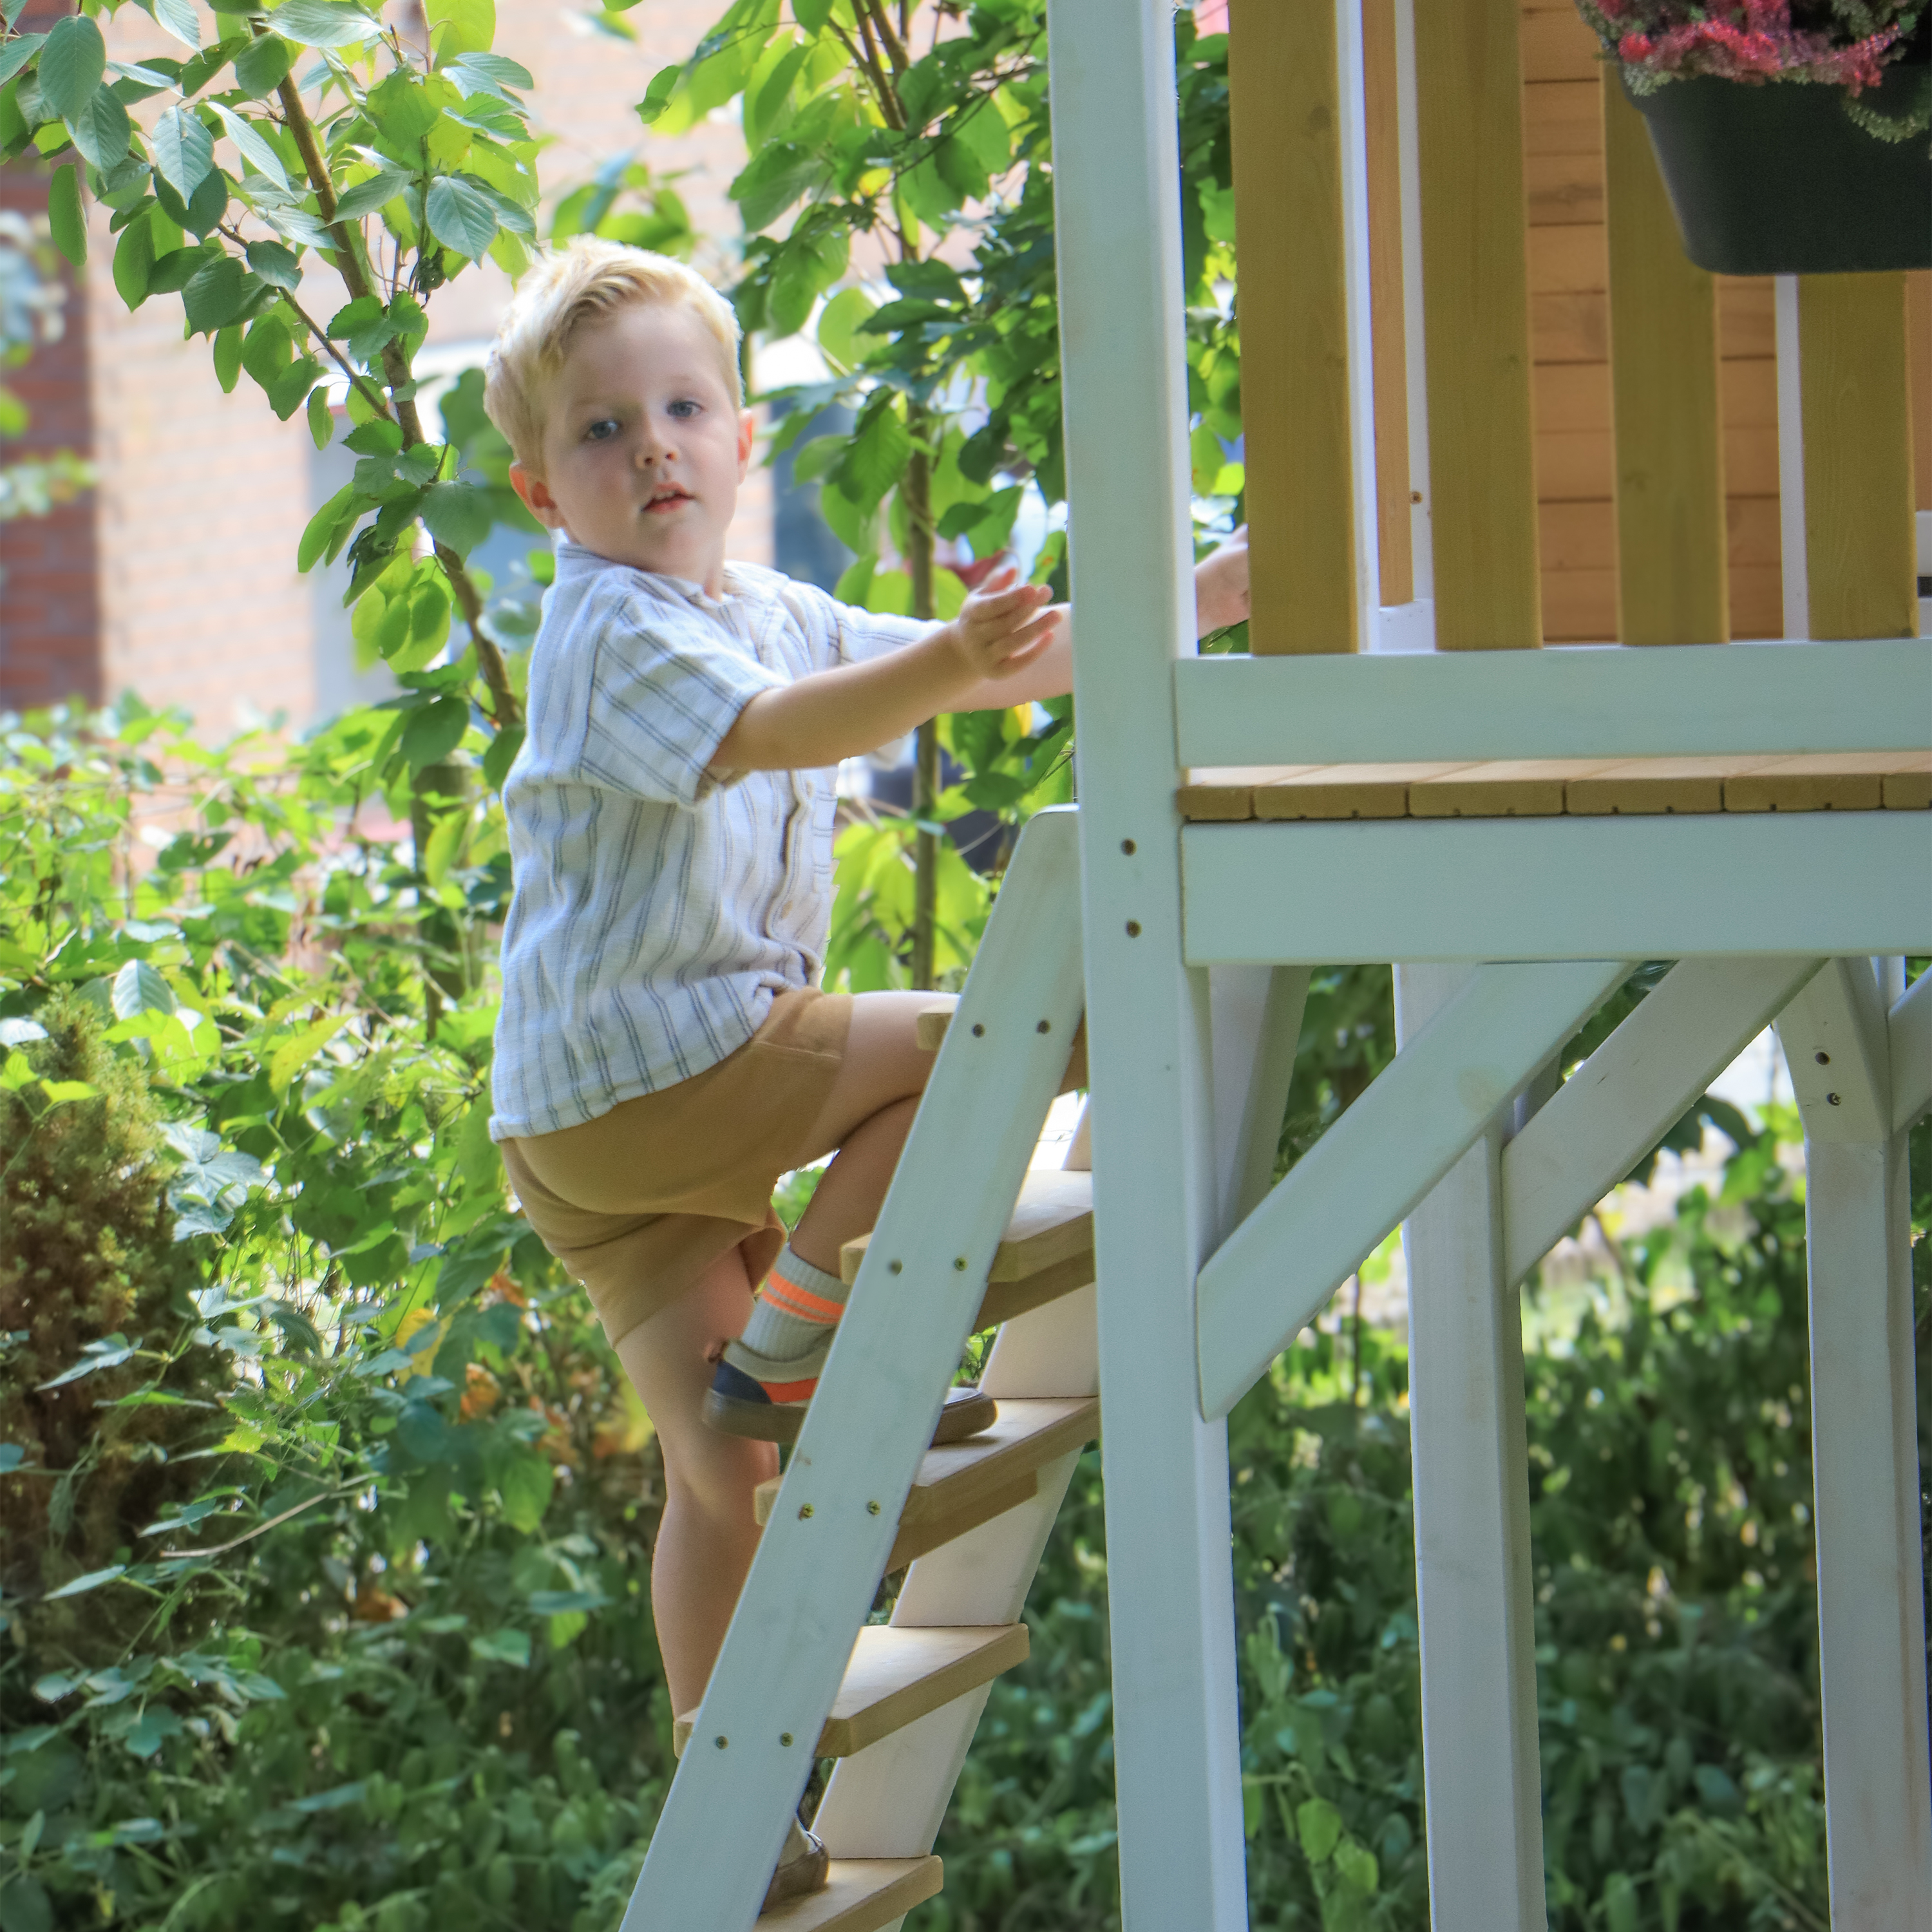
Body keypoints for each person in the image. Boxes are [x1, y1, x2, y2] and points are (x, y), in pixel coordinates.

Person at [481, 236, 1249, 1908]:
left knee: (716, 1470)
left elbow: (1010, 658)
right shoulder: (613, 631)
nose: (655, 449)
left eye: (684, 407)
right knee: (995, 1042)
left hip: (584, 1140)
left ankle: (725, 1798)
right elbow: (786, 732)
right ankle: (816, 1362)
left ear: (745, 437)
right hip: (660, 1073)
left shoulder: (771, 609)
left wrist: (1225, 589)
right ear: (545, 494)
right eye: (603, 433)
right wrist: (954, 667)